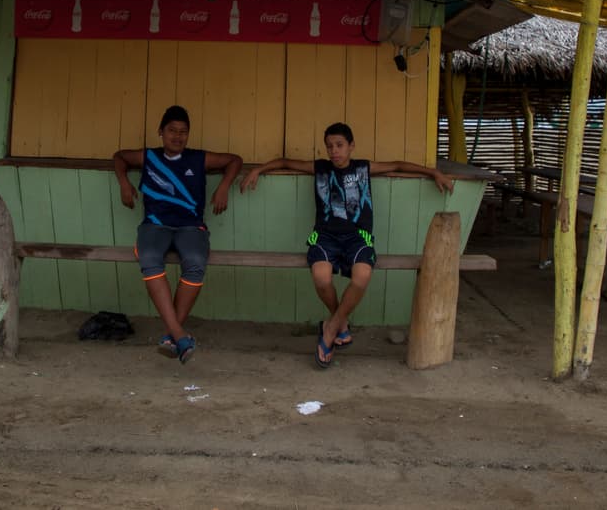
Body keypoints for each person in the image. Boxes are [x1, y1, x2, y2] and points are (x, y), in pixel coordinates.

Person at [239, 122, 453, 368]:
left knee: (362, 276)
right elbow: (285, 162)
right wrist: (259, 170)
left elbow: (397, 165)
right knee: (321, 277)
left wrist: (433, 172)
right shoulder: (319, 168)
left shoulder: (363, 168)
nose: (334, 151)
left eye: (339, 145)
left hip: (358, 237)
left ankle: (330, 329)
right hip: (325, 235)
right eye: (329, 146)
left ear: (351, 146)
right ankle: (339, 323)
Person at [113, 105, 242, 364]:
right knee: (149, 257)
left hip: (190, 226)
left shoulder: (198, 158)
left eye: (183, 132)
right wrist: (124, 183)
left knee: (195, 262)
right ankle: (179, 334)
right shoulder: (149, 156)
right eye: (172, 130)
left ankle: (172, 335)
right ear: (161, 132)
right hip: (155, 225)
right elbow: (119, 157)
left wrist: (224, 187)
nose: (178, 136)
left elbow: (234, 160)